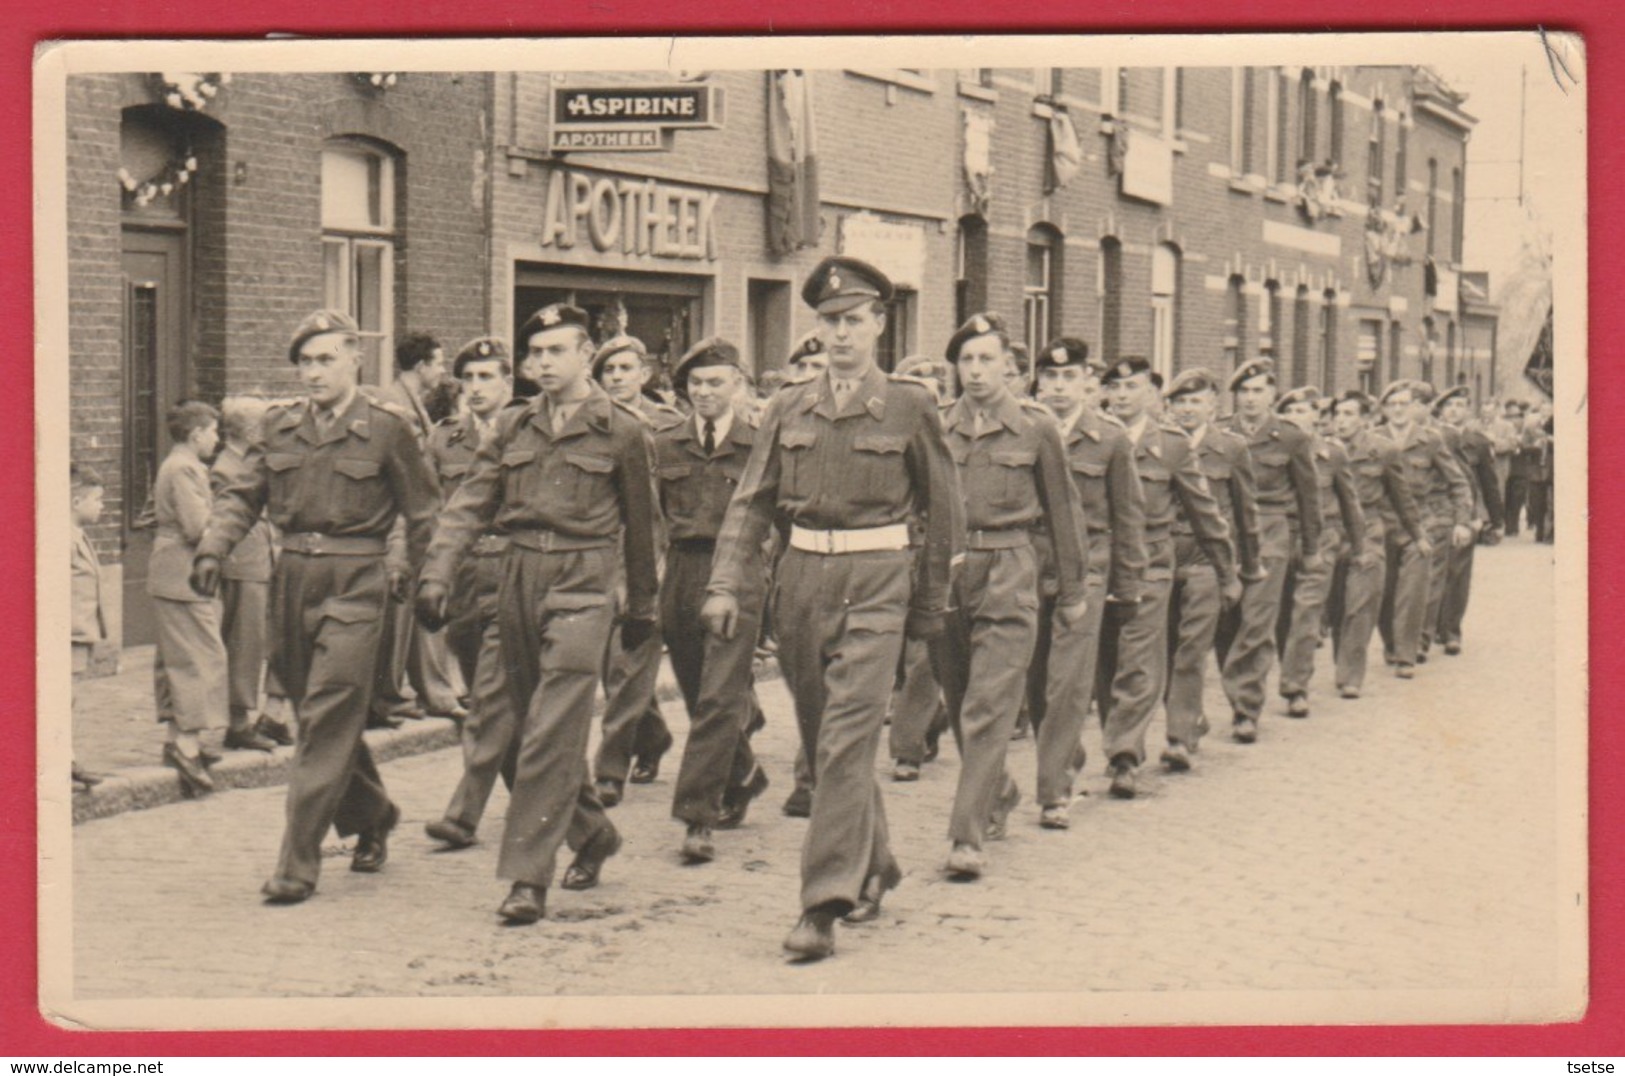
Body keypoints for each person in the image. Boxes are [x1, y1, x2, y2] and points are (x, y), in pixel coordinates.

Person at [701, 256, 962, 960]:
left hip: (878, 581)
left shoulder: (911, 405)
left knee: (847, 743)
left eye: (852, 320)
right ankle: (875, 864)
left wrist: (931, 603)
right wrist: (725, 582)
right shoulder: (788, 405)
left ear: (878, 323)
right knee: (826, 745)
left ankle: (821, 904)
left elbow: (943, 511)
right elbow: (751, 502)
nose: (839, 334)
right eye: (828, 321)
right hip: (801, 582)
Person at [415, 303, 660, 926]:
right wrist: (439, 572)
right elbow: (470, 503)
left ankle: (527, 878)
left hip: (584, 583)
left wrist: (643, 606)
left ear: (586, 355)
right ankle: (593, 833)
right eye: (537, 353)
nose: (545, 363)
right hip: (518, 579)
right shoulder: (514, 427)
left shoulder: (623, 431)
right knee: (514, 724)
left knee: (552, 730)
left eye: (558, 350)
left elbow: (642, 525)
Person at [192, 309, 439, 903]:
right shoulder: (278, 427)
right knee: (318, 714)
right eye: (305, 361)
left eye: (326, 358)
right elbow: (241, 496)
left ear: (356, 358)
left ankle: (297, 863)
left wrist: (431, 581)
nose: (313, 372)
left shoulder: (388, 427)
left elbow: (425, 511)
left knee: (327, 718)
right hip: (291, 581)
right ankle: (373, 813)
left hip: (357, 580)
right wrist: (212, 549)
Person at [930, 314, 1088, 877]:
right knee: (956, 694)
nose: (975, 371)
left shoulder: (1035, 427)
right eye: (966, 360)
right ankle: (995, 791)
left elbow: (1064, 511)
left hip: (1010, 568)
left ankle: (966, 836)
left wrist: (1072, 590)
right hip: (948, 570)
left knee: (988, 704)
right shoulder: (936, 424)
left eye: (986, 360)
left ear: (1009, 368)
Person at [1094, 357, 1235, 797]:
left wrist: (1227, 569)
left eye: (1132, 387)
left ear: (1152, 394)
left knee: (1139, 660)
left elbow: (1204, 511)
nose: (1121, 396)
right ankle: (1119, 735)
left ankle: (1124, 754)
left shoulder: (1170, 446)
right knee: (1104, 663)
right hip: (1099, 565)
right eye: (1114, 387)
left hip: (1150, 566)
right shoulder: (1091, 439)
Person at [1019, 339, 1146, 824]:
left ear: (1087, 383)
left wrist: (1128, 584)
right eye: (1050, 378)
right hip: (1032, 561)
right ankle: (1063, 755)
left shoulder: (1109, 439)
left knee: (1069, 682)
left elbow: (1127, 515)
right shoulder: (1025, 429)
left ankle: (1054, 792)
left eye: (1069, 377)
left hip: (1088, 567)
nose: (1058, 388)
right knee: (1034, 678)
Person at [658, 338, 771, 864]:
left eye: (715, 383)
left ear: (739, 386)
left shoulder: (759, 444)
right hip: (681, 572)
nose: (704, 393)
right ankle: (743, 773)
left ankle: (696, 817)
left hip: (739, 572)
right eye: (696, 384)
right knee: (694, 685)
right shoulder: (664, 443)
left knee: (719, 696)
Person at [422, 337, 518, 850]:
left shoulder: (528, 430)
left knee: (490, 700)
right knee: (499, 701)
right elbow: (426, 508)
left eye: (487, 378)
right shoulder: (444, 441)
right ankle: (561, 812)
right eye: (469, 379)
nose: (476, 389)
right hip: (463, 578)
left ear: (509, 383)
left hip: (514, 571)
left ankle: (464, 814)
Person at [589, 333, 683, 804]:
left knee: (628, 664)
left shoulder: (669, 423)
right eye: (608, 371)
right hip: (603, 555)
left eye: (626, 369)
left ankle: (609, 768)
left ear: (645, 374)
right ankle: (651, 735)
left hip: (652, 553)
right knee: (615, 666)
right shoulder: (594, 424)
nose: (617, 378)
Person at [1217, 358, 1321, 743]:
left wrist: (1311, 548)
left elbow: (1309, 498)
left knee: (1257, 622)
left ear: (1272, 395)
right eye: (1243, 391)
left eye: (1258, 390)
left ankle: (1246, 709)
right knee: (1226, 622)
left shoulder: (1291, 437)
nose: (1249, 398)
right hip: (1227, 535)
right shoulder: (1220, 433)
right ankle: (1237, 696)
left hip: (1269, 534)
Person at [1161, 367, 1259, 769]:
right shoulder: (1159, 444)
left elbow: (1245, 511)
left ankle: (1179, 737)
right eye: (1180, 402)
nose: (1187, 410)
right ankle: (1191, 717)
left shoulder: (1231, 449)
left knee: (1192, 649)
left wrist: (1244, 569)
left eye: (1195, 402)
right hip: (1165, 558)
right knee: (1165, 650)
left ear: (1212, 406)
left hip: (1207, 559)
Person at [371, 331, 465, 726]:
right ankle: (390, 695)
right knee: (397, 615)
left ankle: (408, 692)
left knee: (407, 614)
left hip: (408, 523)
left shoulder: (413, 405)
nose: (442, 372)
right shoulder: (397, 407)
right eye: (439, 363)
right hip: (397, 524)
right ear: (422, 366)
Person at [151, 400, 229, 797]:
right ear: (196, 433)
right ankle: (186, 746)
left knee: (179, 658)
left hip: (175, 573)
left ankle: (176, 738)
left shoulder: (180, 465)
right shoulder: (183, 468)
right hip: (183, 574)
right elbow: (198, 525)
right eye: (213, 432)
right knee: (201, 658)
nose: (216, 439)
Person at [1274, 387, 1363, 718]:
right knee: (1281, 614)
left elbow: (1350, 501)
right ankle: (1289, 668)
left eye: (1304, 411)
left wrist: (1359, 545)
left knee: (1307, 611)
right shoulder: (1272, 451)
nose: (1298, 418)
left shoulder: (1333, 454)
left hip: (1322, 537)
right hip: (1282, 534)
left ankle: (1296, 687)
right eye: (1290, 412)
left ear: (1317, 416)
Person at [1374, 380, 1472, 679]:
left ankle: (1408, 652)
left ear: (1413, 408)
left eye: (1404, 404)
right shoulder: (1372, 439)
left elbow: (1457, 481)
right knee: (1385, 591)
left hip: (1420, 524)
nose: (1399, 410)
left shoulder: (1430, 440)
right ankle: (1392, 642)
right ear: (1384, 409)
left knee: (1414, 589)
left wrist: (1462, 520)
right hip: (1381, 523)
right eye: (1393, 405)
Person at [1329, 390, 1422, 698]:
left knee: (1360, 604)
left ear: (1366, 419)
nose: (1341, 421)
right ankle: (1341, 662)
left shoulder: (1383, 450)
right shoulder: (1323, 449)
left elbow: (1402, 497)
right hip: (1331, 532)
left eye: (1349, 414)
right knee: (1336, 606)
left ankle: (1351, 675)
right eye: (1337, 414)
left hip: (1368, 532)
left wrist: (1418, 535)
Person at [211, 397, 285, 752]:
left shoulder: (245, 462)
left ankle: (253, 715)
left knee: (258, 640)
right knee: (245, 643)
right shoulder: (227, 468)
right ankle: (237, 721)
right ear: (252, 430)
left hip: (259, 560)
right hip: (243, 564)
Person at [1434, 386, 1505, 654]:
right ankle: (1431, 626)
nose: (1454, 410)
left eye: (1460, 405)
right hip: (1436, 511)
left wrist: (1496, 520)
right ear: (1440, 410)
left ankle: (1452, 631)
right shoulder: (1430, 438)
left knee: (1458, 573)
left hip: (1466, 514)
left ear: (1467, 410)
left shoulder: (1478, 441)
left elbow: (1489, 483)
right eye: (1449, 405)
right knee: (1433, 570)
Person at [70, 464, 109, 793]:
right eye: (96, 499)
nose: (102, 506)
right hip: (66, 634)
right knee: (62, 698)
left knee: (69, 698)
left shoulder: (78, 536)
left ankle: (64, 757)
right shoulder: (63, 539)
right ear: (75, 501)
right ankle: (63, 760)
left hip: (79, 633)